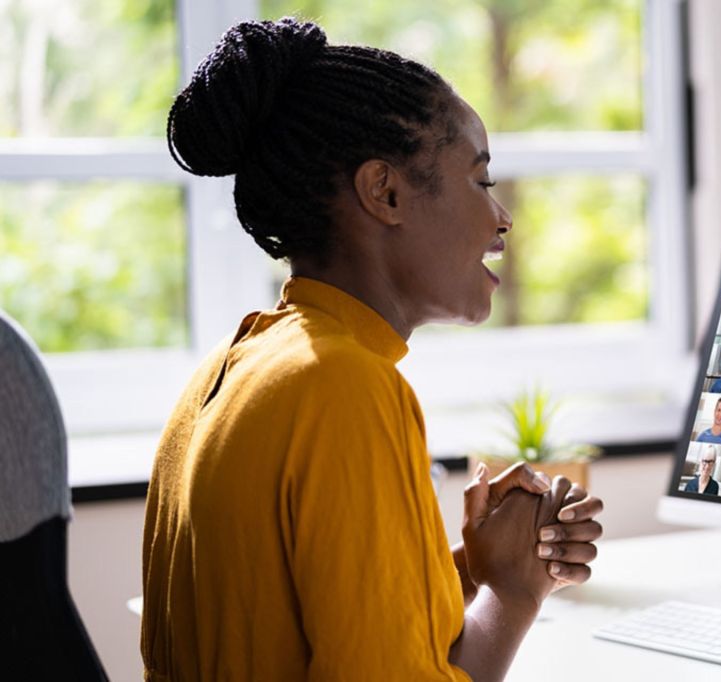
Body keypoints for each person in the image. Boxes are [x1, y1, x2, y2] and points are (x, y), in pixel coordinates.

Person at [142, 20, 605, 680]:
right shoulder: (346, 386)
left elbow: (300, 620)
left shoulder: (233, 364)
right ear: (385, 192)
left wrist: (475, 570)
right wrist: (514, 593)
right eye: (480, 181)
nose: (502, 217)